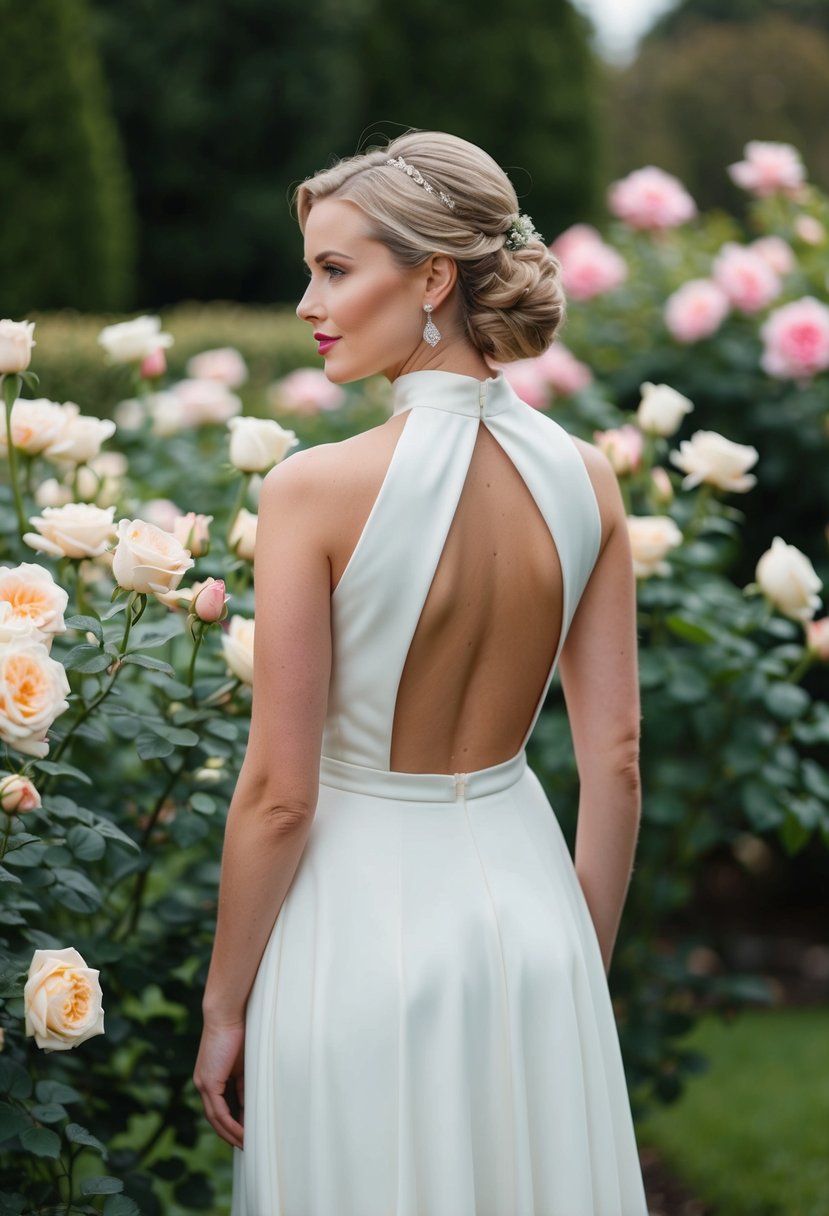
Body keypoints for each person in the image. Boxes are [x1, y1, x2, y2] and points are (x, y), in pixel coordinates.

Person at [195, 130, 647, 1215]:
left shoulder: (311, 491)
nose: (309, 300)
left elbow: (278, 794)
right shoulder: (587, 478)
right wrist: (576, 961)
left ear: (433, 276)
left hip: (355, 930)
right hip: (536, 919)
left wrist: (222, 1007)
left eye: (336, 270)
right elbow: (618, 763)